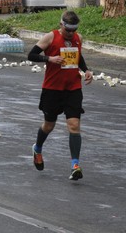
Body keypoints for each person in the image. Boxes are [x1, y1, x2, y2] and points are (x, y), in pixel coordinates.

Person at [28, 10, 93, 181]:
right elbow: (31, 55)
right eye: (68, 30)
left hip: (72, 89)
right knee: (49, 125)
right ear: (61, 25)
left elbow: (78, 57)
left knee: (74, 125)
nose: (71, 34)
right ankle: (38, 148)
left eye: (74, 30)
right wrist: (49, 59)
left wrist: (86, 70)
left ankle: (75, 165)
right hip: (52, 89)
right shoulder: (50, 37)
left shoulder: (78, 38)